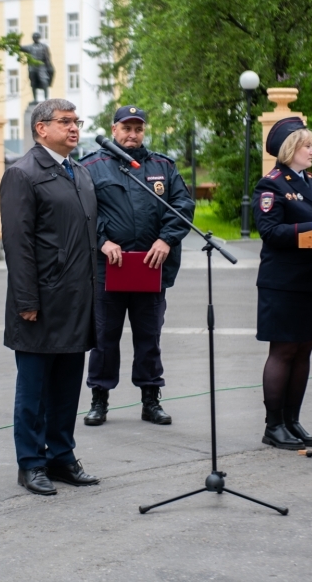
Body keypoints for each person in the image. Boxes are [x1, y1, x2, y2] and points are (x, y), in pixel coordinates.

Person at [0, 98, 101, 496]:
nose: (74, 128)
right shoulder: (23, 174)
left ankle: (61, 456)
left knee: (65, 389)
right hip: (39, 303)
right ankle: (31, 463)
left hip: (76, 300)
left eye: (77, 121)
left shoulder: (78, 172)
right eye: (66, 122)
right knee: (34, 391)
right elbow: (18, 244)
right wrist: (27, 300)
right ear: (42, 128)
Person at [79, 106, 195, 427]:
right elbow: (82, 211)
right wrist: (102, 239)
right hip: (108, 268)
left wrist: (166, 239)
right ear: (113, 129)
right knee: (104, 338)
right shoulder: (92, 167)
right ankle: (99, 399)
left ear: (144, 131)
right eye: (126, 128)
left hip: (150, 266)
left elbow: (183, 205)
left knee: (149, 337)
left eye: (138, 129)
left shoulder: (162, 166)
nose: (132, 135)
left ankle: (150, 400)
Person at [251, 117, 312, 451]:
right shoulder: (270, 185)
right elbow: (271, 233)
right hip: (284, 281)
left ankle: (292, 421)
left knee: (305, 349)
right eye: (307, 145)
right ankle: (274, 426)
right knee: (284, 349)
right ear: (291, 149)